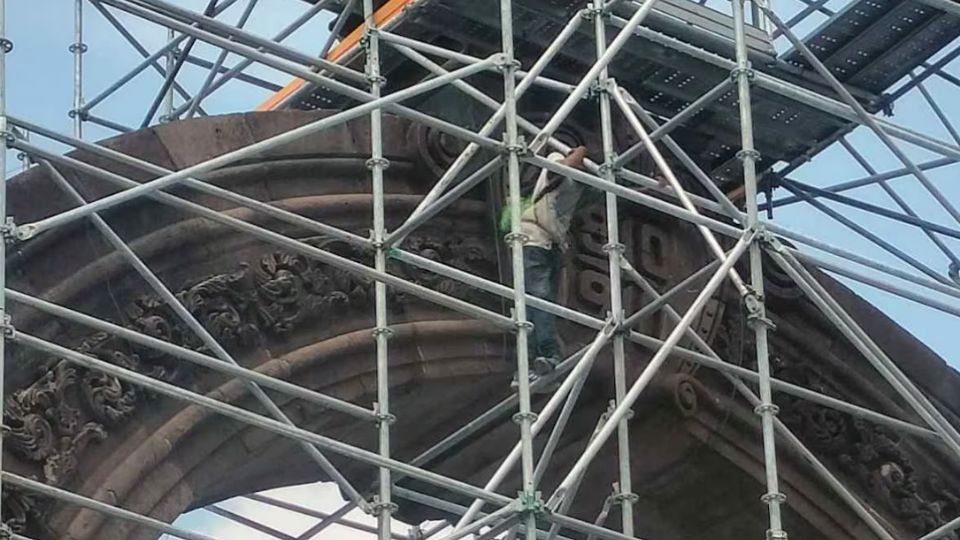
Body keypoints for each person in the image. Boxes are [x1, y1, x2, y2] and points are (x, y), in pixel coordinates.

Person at [507, 146, 590, 389]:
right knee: (538, 300)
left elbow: (617, 194)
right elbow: (561, 167)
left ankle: (531, 366)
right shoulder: (556, 166)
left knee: (539, 304)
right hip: (532, 239)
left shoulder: (580, 185)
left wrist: (654, 189)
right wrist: (582, 150)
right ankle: (546, 355)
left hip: (550, 245)